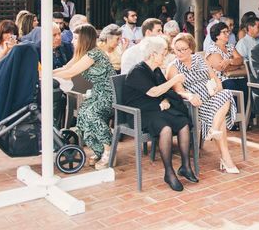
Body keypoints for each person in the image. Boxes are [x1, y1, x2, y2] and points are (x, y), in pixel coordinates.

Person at [123, 37, 197, 191]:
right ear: (152, 54)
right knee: (166, 128)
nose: (165, 56)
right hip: (139, 113)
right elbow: (154, 91)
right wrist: (174, 80)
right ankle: (169, 173)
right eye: (163, 53)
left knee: (183, 122)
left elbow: (163, 91)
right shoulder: (137, 71)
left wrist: (165, 100)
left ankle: (185, 166)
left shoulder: (155, 70)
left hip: (155, 108)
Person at [167, 33, 240, 173]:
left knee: (226, 93)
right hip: (195, 105)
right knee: (221, 116)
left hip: (212, 97)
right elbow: (177, 91)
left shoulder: (199, 59)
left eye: (184, 49)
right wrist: (189, 95)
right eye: (177, 49)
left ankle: (213, 130)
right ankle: (225, 157)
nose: (180, 53)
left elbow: (214, 78)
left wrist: (218, 88)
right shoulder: (173, 67)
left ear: (191, 48)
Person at [54, 24, 116, 169]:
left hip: (109, 95)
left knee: (90, 114)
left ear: (84, 39)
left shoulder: (94, 54)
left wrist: (45, 75)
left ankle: (109, 150)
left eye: (75, 38)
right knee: (82, 114)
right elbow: (66, 68)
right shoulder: (82, 54)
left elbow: (70, 73)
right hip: (97, 93)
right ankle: (99, 150)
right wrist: (44, 73)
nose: (71, 41)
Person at [206, 22, 247, 130]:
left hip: (235, 76)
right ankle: (232, 121)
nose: (228, 34)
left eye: (228, 31)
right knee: (230, 86)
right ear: (217, 35)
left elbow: (241, 60)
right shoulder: (212, 49)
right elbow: (221, 69)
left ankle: (245, 118)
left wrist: (229, 61)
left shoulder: (230, 46)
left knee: (246, 85)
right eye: (224, 32)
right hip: (220, 80)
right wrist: (237, 65)